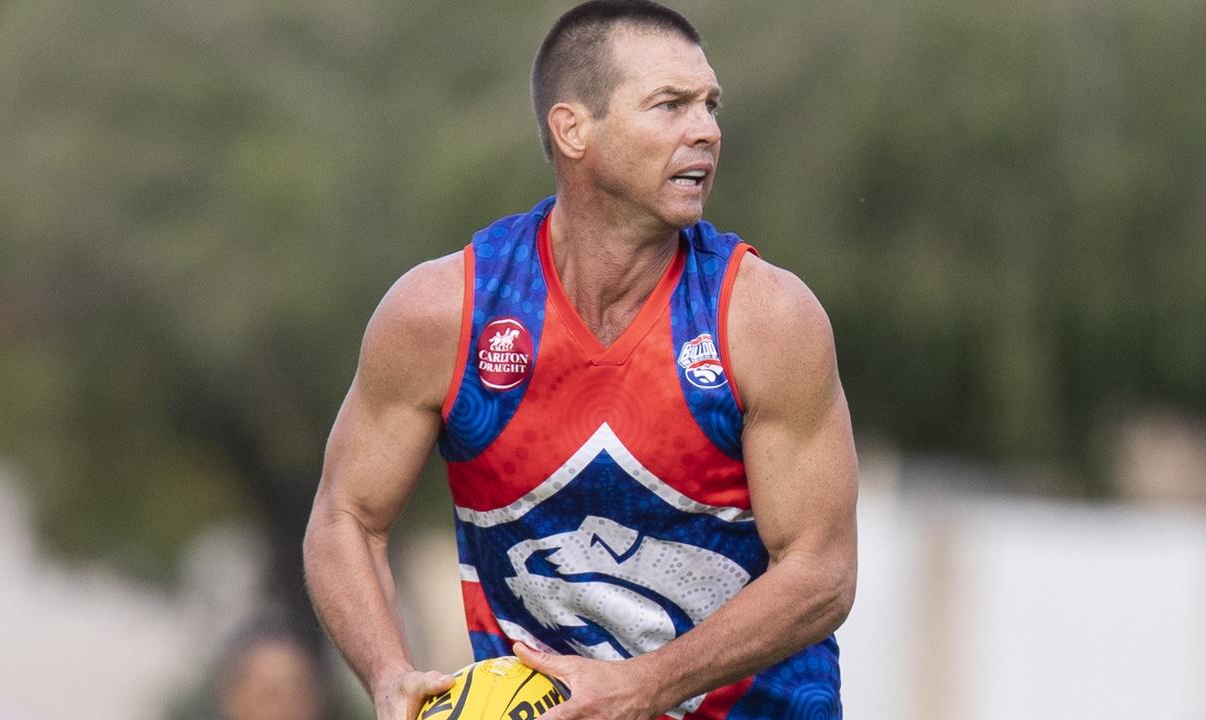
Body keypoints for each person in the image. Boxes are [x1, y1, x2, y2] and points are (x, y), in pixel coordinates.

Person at [302, 1, 858, 718]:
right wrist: (387, 672)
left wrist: (648, 685)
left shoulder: (765, 319)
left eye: (710, 105)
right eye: (670, 105)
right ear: (573, 129)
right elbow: (345, 515)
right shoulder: (446, 314)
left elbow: (822, 573)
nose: (707, 130)